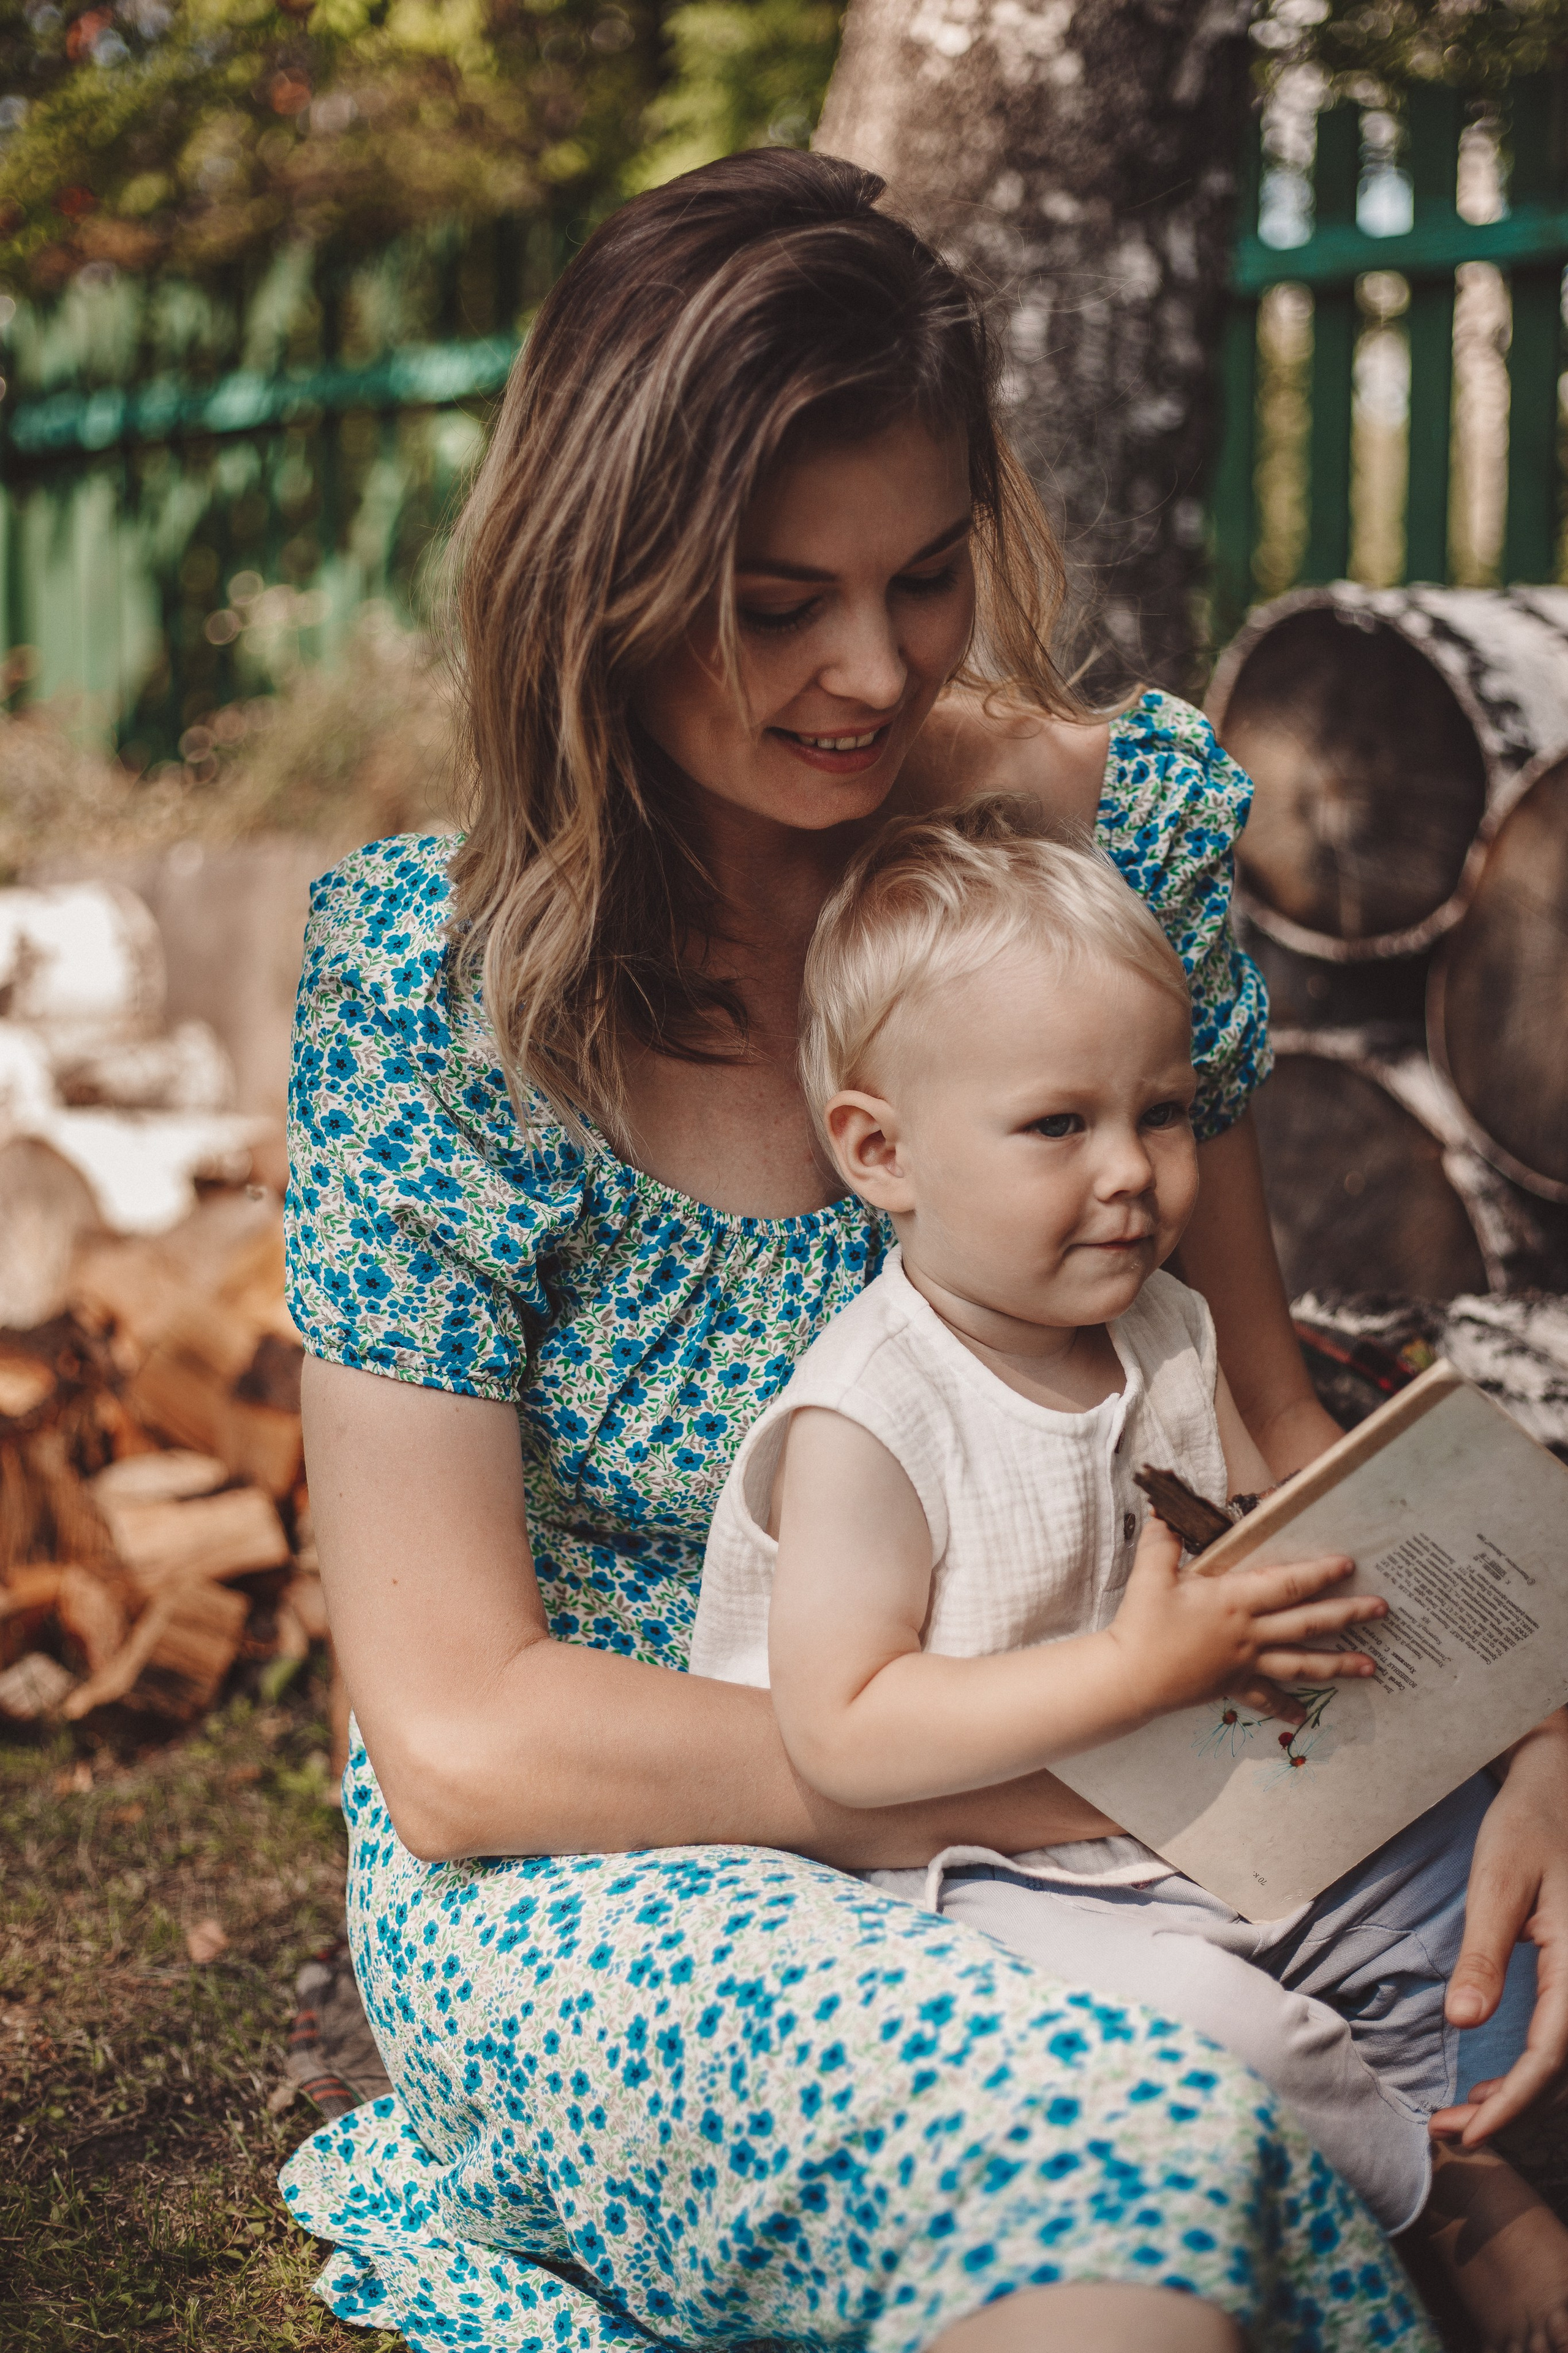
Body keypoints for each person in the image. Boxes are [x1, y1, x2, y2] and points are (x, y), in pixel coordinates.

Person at [276, 147, 1558, 2353]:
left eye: (927, 579)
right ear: (599, 580)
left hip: (1175, 1784)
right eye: (773, 602)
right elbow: (469, 1737)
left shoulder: (1100, 838)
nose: (869, 672)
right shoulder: (435, 985)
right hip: (622, 1876)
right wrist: (1087, 1763)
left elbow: (1271, 1428)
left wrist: (1516, 1708)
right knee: (1135, 2142)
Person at [689, 801, 1568, 2328]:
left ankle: (1470, 2111)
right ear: (878, 1150)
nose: (1130, 1173)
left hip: (1171, 1802)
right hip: (958, 1872)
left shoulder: (1166, 1325)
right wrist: (1129, 1671)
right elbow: (836, 1729)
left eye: (1157, 1115)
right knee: (1212, 2019)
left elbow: (1238, 1536)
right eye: (1057, 1125)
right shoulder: (870, 1412)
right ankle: (1451, 2207)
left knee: (1445, 1875)